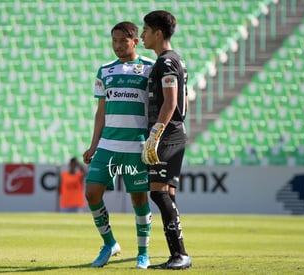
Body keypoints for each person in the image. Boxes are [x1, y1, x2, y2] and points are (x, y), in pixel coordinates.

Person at [83, 21, 154, 269]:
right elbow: (100, 113)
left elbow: (155, 109)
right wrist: (93, 146)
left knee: (138, 199)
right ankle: (109, 243)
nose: (117, 46)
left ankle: (143, 253)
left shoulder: (149, 68)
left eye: (122, 41)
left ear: (134, 41)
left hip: (136, 146)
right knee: (91, 192)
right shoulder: (104, 71)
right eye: (113, 41)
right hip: (108, 146)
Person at [140, 10, 192, 270]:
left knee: (160, 194)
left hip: (168, 134)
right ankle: (178, 254)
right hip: (174, 133)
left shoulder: (166, 62)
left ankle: (180, 254)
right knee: (167, 194)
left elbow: (171, 102)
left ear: (158, 33)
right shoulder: (175, 60)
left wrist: (155, 133)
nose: (142, 36)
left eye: (145, 31)